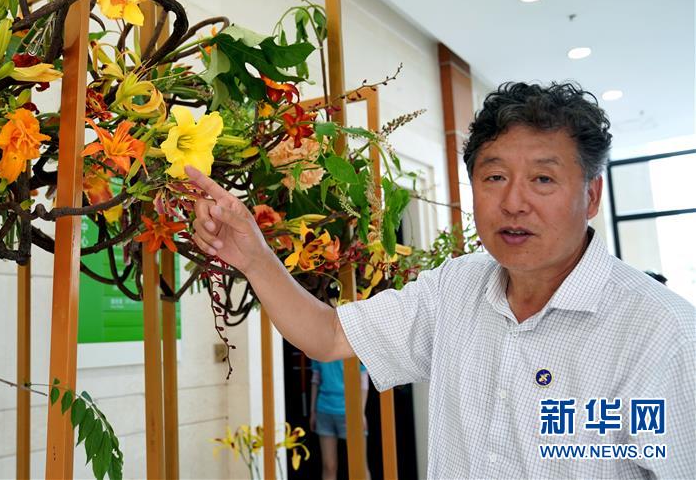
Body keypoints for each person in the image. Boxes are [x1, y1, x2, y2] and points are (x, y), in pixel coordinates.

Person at [186, 82, 696, 479]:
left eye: (543, 178)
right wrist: (253, 257)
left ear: (591, 196)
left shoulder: (663, 333)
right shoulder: (456, 288)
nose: (513, 202)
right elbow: (330, 335)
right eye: (494, 177)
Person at [309, 358, 370, 480]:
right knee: (329, 466)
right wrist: (313, 411)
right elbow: (315, 379)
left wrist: (360, 412)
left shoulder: (352, 348)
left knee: (359, 466)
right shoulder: (317, 348)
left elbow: (363, 380)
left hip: (350, 412)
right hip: (324, 410)